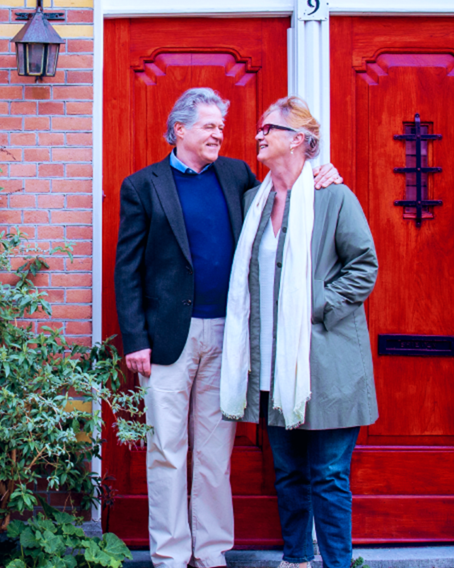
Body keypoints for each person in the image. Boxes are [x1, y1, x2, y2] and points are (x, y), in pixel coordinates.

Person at [114, 88, 341, 568]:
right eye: (209, 126)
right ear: (180, 130)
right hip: (165, 342)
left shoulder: (237, 175)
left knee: (216, 456)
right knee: (167, 451)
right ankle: (172, 556)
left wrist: (325, 170)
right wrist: (135, 339)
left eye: (221, 126)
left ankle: (212, 553)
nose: (220, 133)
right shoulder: (142, 186)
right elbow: (127, 270)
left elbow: (287, 187)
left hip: (228, 336)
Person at [218, 96, 378, 568]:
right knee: (287, 473)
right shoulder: (254, 199)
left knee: (328, 475)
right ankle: (295, 560)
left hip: (327, 365)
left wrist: (315, 304)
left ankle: (336, 563)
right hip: (270, 365)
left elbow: (363, 266)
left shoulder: (333, 197)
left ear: (299, 141)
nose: (259, 135)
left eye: (269, 128)